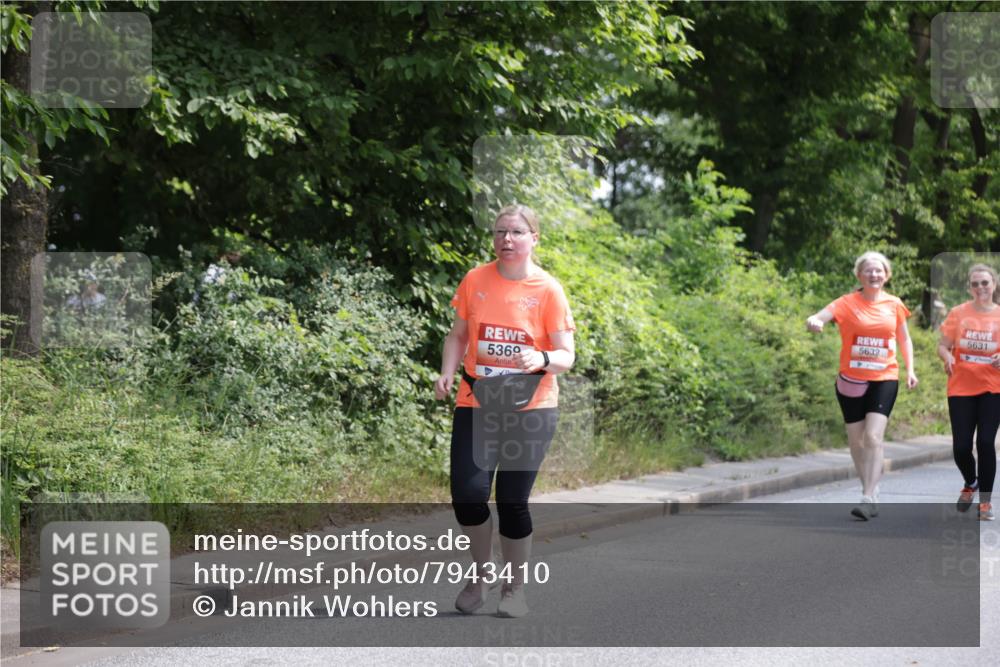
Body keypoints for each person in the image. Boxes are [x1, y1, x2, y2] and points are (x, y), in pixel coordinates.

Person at [434, 204, 575, 618]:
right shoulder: (476, 279)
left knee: (512, 501)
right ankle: (481, 574)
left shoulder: (548, 289)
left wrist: (543, 358)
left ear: (534, 238)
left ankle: (514, 589)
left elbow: (567, 355)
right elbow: (457, 336)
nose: (506, 240)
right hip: (477, 403)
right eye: (499, 232)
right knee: (467, 496)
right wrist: (447, 371)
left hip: (530, 408)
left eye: (515, 232)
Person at [806, 251, 918, 520]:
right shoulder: (846, 303)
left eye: (879, 270)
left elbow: (904, 340)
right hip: (851, 380)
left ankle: (868, 496)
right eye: (868, 270)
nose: (874, 274)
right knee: (856, 441)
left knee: (873, 437)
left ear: (886, 275)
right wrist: (815, 321)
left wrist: (910, 370)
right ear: (859, 275)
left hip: (885, 378)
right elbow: (821, 315)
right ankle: (870, 486)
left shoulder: (894, 304)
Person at [937, 263, 1000, 521]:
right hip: (961, 387)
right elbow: (943, 345)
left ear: (993, 285)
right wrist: (947, 357)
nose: (980, 288)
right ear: (969, 288)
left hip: (992, 388)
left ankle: (985, 503)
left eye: (985, 283)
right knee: (961, 447)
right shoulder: (958, 313)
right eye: (975, 284)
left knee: (985, 442)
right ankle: (970, 481)